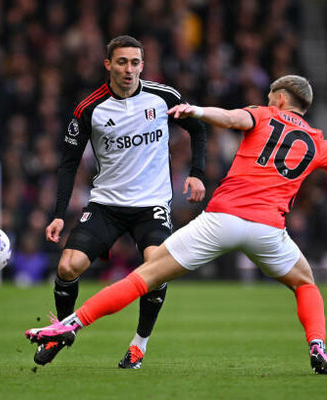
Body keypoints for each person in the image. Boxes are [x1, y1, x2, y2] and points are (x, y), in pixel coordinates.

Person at [26, 75, 327, 374]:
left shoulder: (262, 114)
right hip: (268, 231)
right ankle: (317, 345)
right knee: (306, 283)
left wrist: (198, 110)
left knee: (145, 275)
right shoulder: (318, 141)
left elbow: (230, 118)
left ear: (278, 97)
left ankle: (71, 324)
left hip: (222, 220)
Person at [38, 35, 207, 368]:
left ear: (142, 65)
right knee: (67, 266)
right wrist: (59, 214)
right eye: (121, 62)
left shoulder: (163, 97)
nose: (129, 69)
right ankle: (62, 330)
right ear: (108, 65)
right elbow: (68, 162)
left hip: (152, 205)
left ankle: (138, 346)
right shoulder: (89, 108)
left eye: (135, 62)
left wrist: (198, 172)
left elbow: (198, 129)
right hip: (107, 205)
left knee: (156, 269)